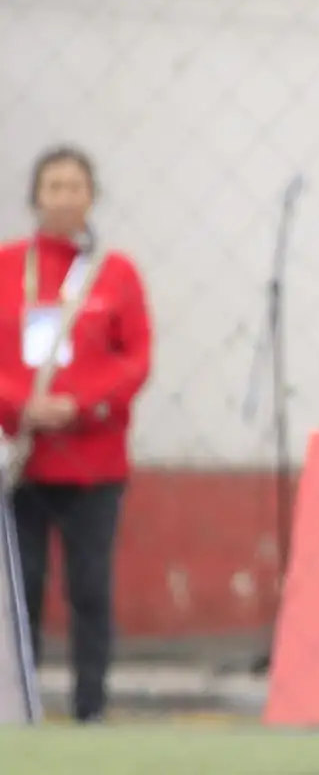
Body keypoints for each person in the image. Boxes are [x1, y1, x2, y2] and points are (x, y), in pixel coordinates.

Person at [0, 146, 152, 723]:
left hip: (94, 464)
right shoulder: (8, 265)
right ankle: (24, 708)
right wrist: (20, 405)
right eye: (52, 185)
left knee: (89, 589)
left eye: (74, 186)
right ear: (35, 196)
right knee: (22, 592)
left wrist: (80, 405)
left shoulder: (117, 274)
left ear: (92, 196)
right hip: (23, 461)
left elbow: (136, 357)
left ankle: (92, 708)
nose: (63, 196)